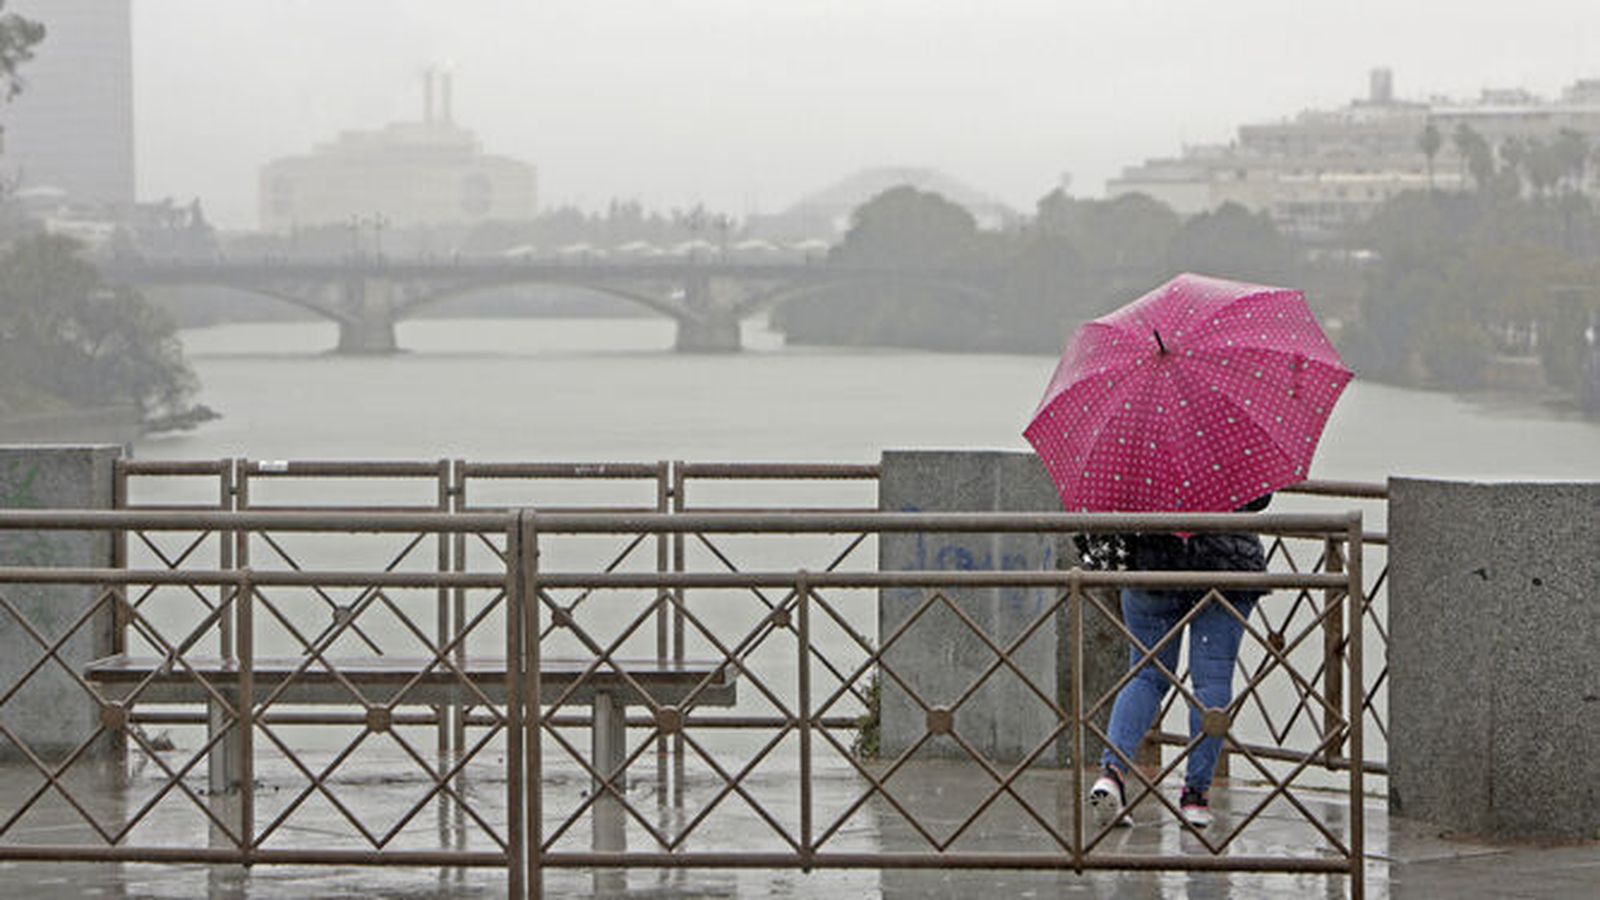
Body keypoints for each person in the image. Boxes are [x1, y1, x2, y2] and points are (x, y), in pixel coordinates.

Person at [1087, 493, 1271, 829]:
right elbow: (1259, 498)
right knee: (1212, 682)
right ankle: (1195, 798)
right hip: (1225, 568)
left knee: (1146, 675)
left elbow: (1118, 499)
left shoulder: (1142, 443)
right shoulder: (1230, 440)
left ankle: (1111, 775)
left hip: (1155, 564)